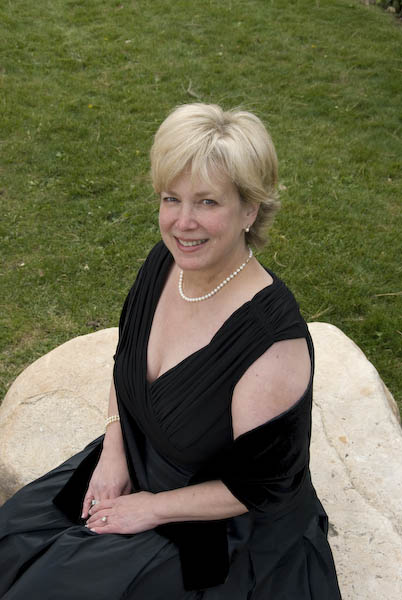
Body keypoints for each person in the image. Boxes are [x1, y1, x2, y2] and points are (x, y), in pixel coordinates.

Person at [0, 103, 342, 599]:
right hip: (139, 461)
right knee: (11, 539)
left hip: (219, 531)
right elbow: (125, 368)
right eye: (171, 199)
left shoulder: (271, 345)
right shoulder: (165, 265)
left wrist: (150, 509)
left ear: (250, 209)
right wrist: (113, 453)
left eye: (207, 202)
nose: (183, 223)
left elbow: (257, 489)